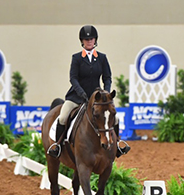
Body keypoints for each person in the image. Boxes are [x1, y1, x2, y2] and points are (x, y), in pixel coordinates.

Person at [47, 25, 130, 158]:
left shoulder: (102, 58)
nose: (89, 41)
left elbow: (107, 77)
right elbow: (73, 78)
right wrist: (81, 93)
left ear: (95, 40)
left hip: (97, 98)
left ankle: (118, 144)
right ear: (82, 41)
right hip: (76, 97)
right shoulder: (77, 58)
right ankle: (57, 146)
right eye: (86, 39)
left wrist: (106, 94)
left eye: (91, 38)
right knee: (62, 117)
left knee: (115, 118)